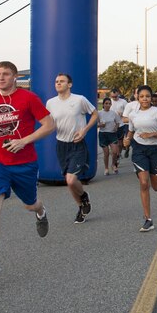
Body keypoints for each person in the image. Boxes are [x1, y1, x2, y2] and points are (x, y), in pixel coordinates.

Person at [0, 61, 55, 282]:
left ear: (15, 76)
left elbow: (49, 124)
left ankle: (41, 212)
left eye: (6, 74)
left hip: (24, 163)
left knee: (30, 204)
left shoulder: (28, 98)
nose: (1, 78)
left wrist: (24, 141)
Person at [46, 73, 97, 224]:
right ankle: (81, 206)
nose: (58, 83)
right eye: (56, 81)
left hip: (77, 144)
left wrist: (84, 130)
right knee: (69, 181)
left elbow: (95, 114)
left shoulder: (79, 100)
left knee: (70, 179)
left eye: (62, 81)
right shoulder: (50, 103)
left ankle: (84, 196)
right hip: (61, 145)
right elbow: (49, 123)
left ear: (70, 84)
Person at [122, 85, 157, 232]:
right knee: (144, 183)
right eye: (142, 96)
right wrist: (127, 139)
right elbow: (131, 130)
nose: (145, 99)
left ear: (152, 98)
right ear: (137, 98)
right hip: (139, 149)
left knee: (155, 186)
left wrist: (152, 135)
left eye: (147, 96)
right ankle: (148, 219)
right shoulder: (133, 114)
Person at [97, 97, 121, 175]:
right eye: (106, 103)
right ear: (103, 104)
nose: (108, 105)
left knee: (114, 152)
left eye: (109, 103)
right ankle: (106, 168)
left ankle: (113, 164)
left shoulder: (113, 113)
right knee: (106, 153)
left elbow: (118, 122)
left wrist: (116, 127)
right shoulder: (99, 113)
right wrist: (100, 125)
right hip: (103, 134)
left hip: (112, 134)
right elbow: (95, 124)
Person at [109, 88, 129, 163]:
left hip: (121, 124)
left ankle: (119, 154)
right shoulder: (109, 101)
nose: (114, 98)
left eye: (115, 96)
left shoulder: (123, 102)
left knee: (120, 143)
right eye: (112, 96)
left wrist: (123, 113)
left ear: (118, 94)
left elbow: (128, 112)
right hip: (111, 125)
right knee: (113, 143)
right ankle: (115, 156)